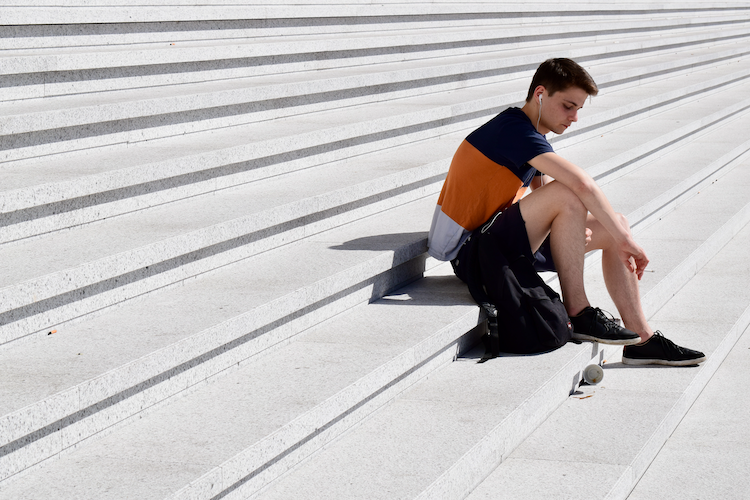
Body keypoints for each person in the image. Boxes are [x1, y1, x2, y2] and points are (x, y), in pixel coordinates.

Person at [428, 58, 705, 366]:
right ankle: (579, 313)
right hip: (473, 252)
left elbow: (538, 188)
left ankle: (642, 341)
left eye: (578, 110)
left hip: (498, 240)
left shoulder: (529, 130)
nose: (574, 118)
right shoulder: (512, 131)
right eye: (568, 106)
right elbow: (580, 184)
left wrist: (567, 226)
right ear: (541, 94)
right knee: (572, 196)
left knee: (611, 224)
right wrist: (625, 238)